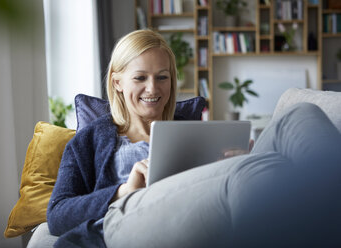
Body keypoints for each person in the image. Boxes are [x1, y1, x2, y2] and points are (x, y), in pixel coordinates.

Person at [47, 29, 341, 248]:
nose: (153, 88)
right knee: (252, 174)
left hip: (199, 208)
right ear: (117, 82)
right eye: (140, 78)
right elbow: (57, 216)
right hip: (123, 224)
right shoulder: (89, 140)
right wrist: (123, 191)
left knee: (299, 113)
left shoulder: (189, 130)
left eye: (162, 77)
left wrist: (231, 161)